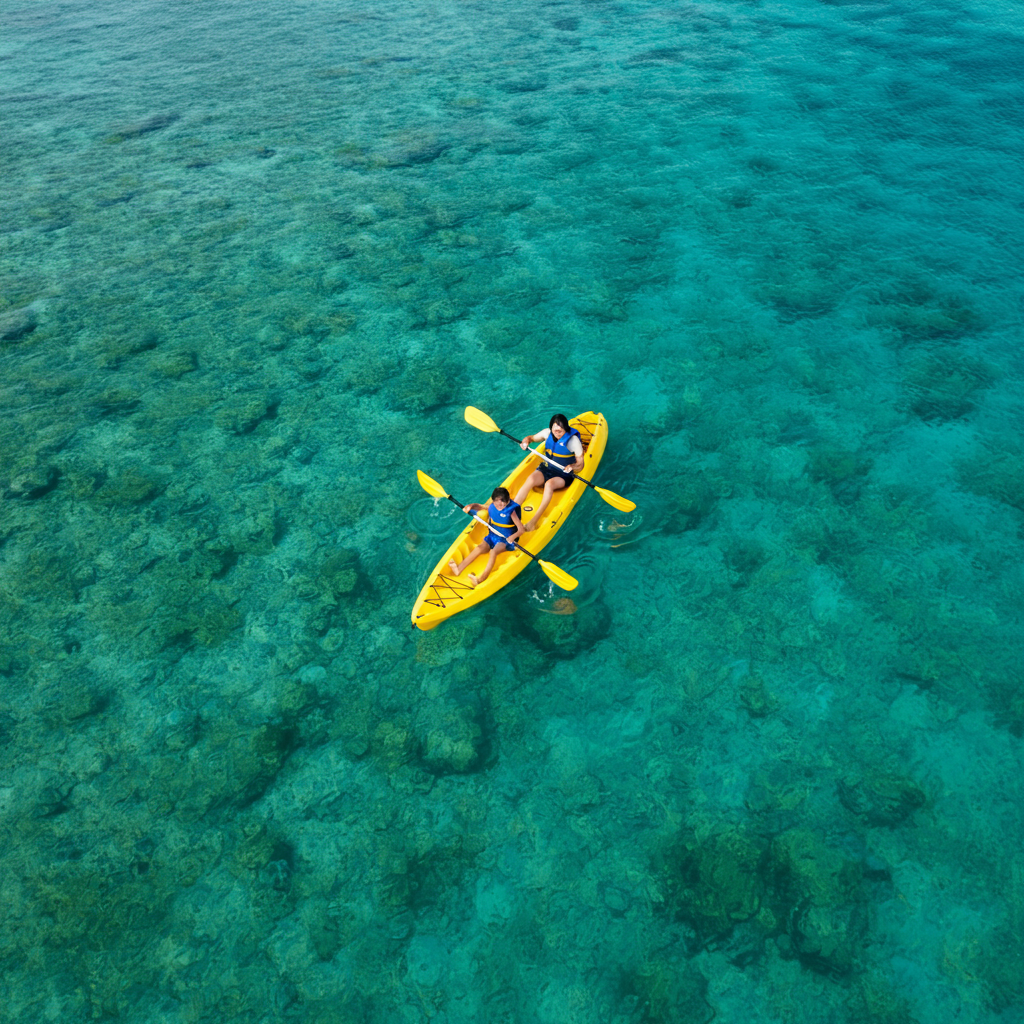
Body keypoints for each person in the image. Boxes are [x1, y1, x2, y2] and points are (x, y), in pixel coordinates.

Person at [515, 413, 584, 531]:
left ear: (565, 429)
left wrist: (572, 466)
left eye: (560, 431)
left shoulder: (573, 441)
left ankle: (533, 522)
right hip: (547, 468)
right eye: (555, 430)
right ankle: (511, 511)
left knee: (549, 485)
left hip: (563, 474)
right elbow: (531, 438)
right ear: (551, 428)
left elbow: (580, 465)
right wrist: (526, 441)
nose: (557, 433)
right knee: (531, 479)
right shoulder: (547, 433)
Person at [448, 486, 524, 586]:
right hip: (493, 535)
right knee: (480, 547)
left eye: (503, 501)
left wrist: (513, 537)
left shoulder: (511, 512)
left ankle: (480, 579)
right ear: (494, 501)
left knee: (493, 551)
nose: (501, 504)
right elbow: (481, 506)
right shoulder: (493, 506)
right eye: (497, 501)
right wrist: (471, 506)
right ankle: (458, 569)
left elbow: (521, 529)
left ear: (507, 500)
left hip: (506, 540)